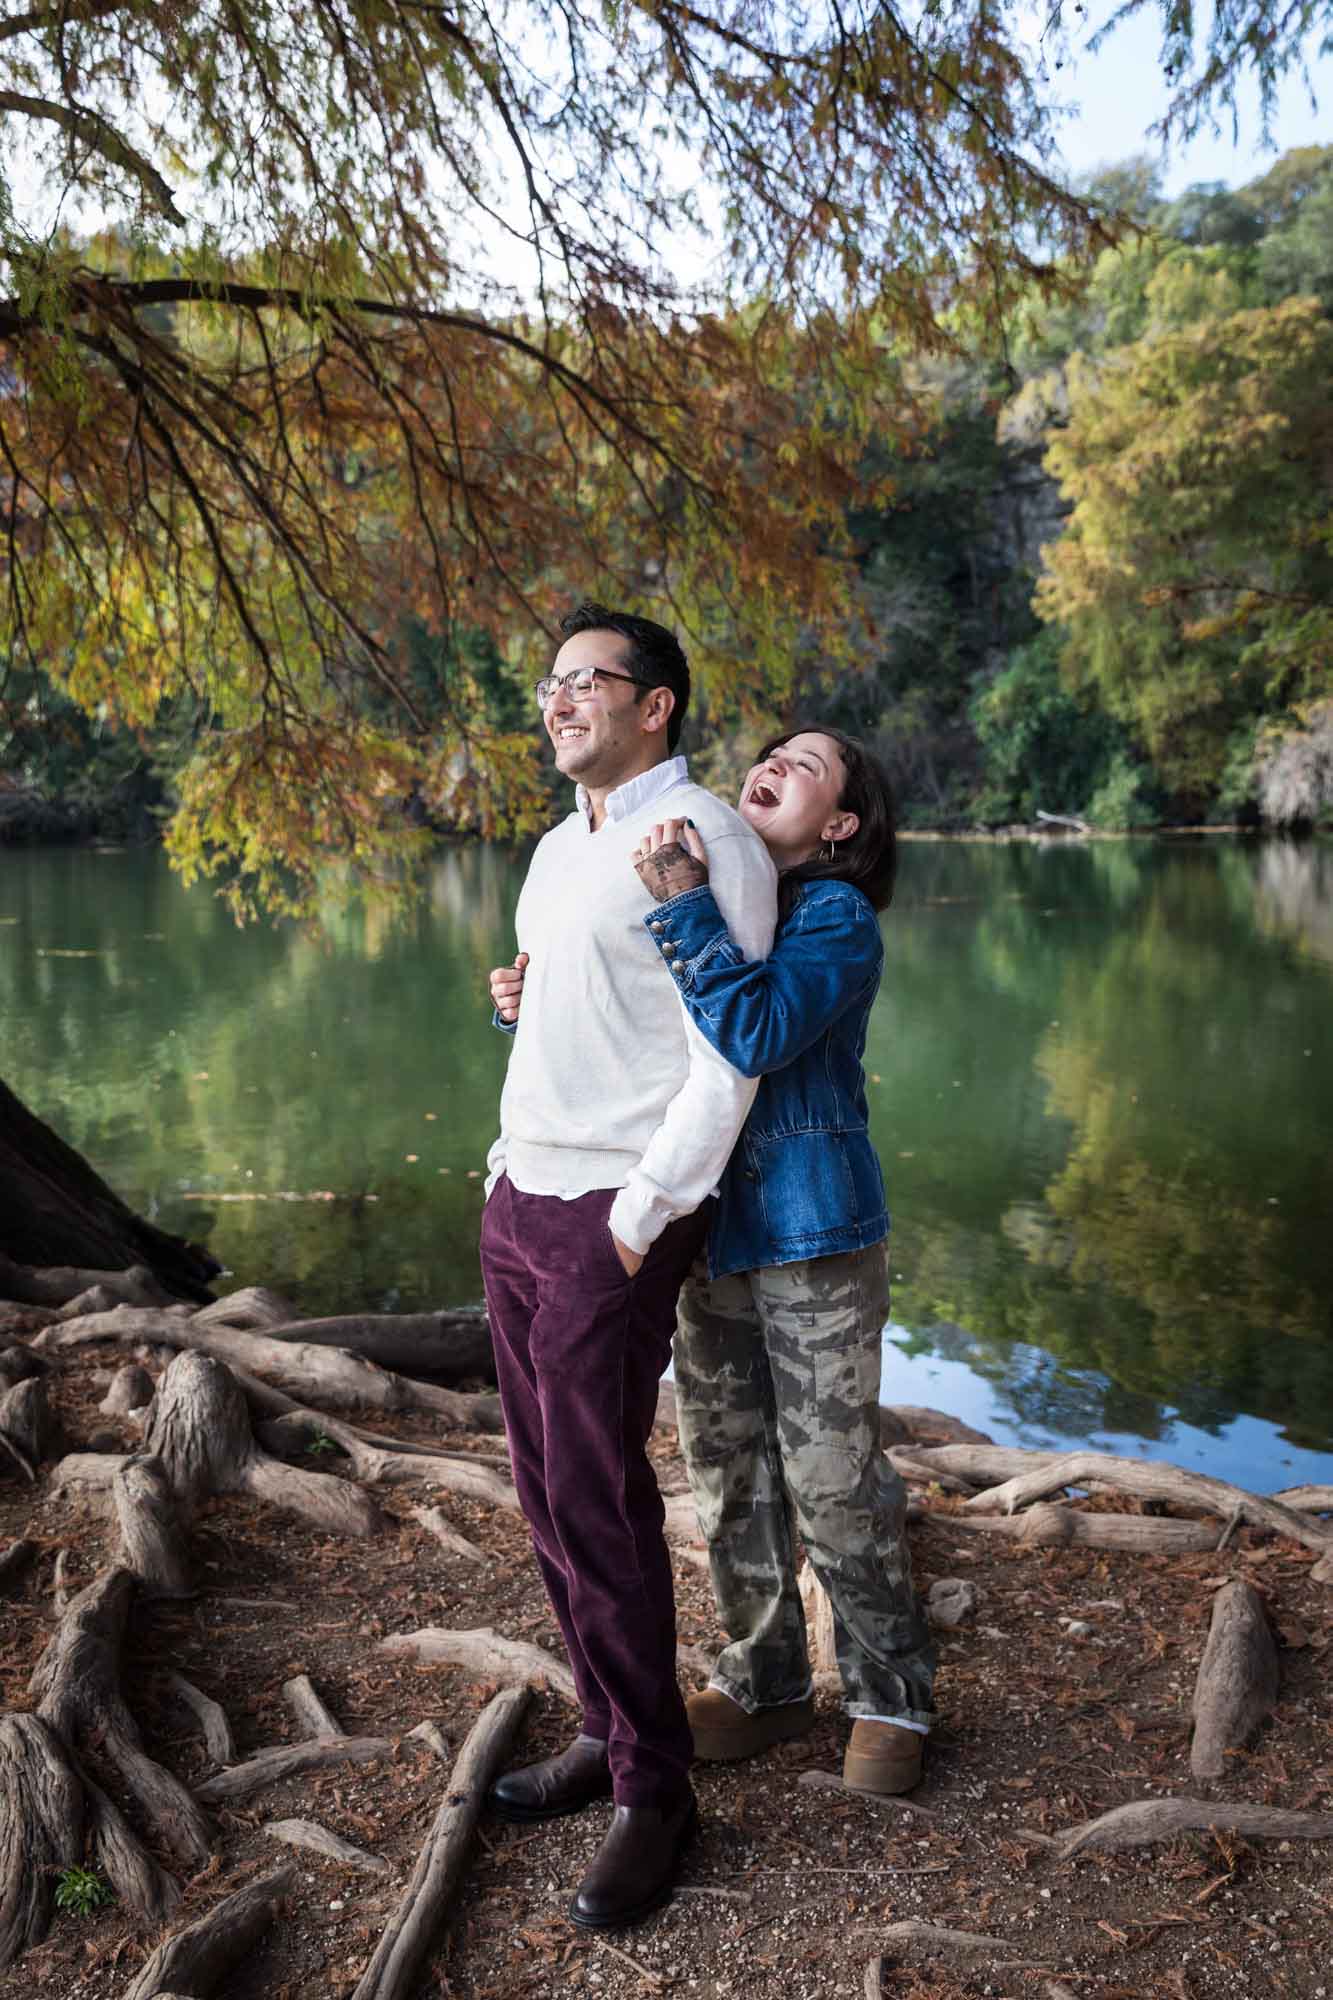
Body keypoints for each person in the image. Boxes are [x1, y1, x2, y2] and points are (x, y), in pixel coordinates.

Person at [492, 726, 936, 1798]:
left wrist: (684, 902)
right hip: (700, 1227)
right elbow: (624, 1036)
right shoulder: (715, 885)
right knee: (728, 1472)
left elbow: (754, 1029)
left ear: (839, 824)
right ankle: (766, 1681)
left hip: (811, 1233)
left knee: (830, 1480)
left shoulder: (833, 915)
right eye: (771, 749)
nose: (773, 762)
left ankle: (889, 1694)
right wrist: (525, 996)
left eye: (809, 764)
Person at [478, 602, 777, 1932]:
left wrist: (647, 1208)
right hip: (521, 1186)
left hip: (615, 1204)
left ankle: (658, 1795)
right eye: (548, 685)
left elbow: (731, 1043)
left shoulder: (704, 833)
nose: (555, 702)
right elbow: (576, 1002)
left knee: (600, 1497)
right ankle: (607, 1723)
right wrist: (513, 1029)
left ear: (653, 704)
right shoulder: (556, 849)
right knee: (544, 1485)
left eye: (582, 682)